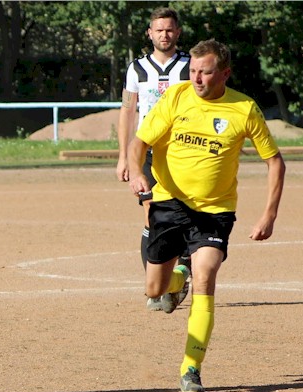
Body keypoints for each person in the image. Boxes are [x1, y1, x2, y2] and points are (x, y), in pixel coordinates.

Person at [126, 39, 285, 392]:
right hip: (168, 203)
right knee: (155, 291)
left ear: (224, 73)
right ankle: (176, 278)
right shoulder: (176, 97)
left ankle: (191, 369)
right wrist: (138, 173)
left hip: (214, 212)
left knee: (207, 276)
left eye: (206, 71)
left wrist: (269, 215)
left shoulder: (244, 109)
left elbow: (274, 161)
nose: (197, 78)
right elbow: (139, 144)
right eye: (193, 71)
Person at [115, 7, 192, 312]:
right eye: (158, 30)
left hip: (184, 153)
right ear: (149, 33)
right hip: (148, 152)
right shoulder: (136, 70)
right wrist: (123, 156)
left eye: (169, 29)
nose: (164, 35)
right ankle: (155, 287)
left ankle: (181, 270)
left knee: (186, 214)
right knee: (151, 214)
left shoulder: (190, 66)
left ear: (178, 32)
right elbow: (126, 110)